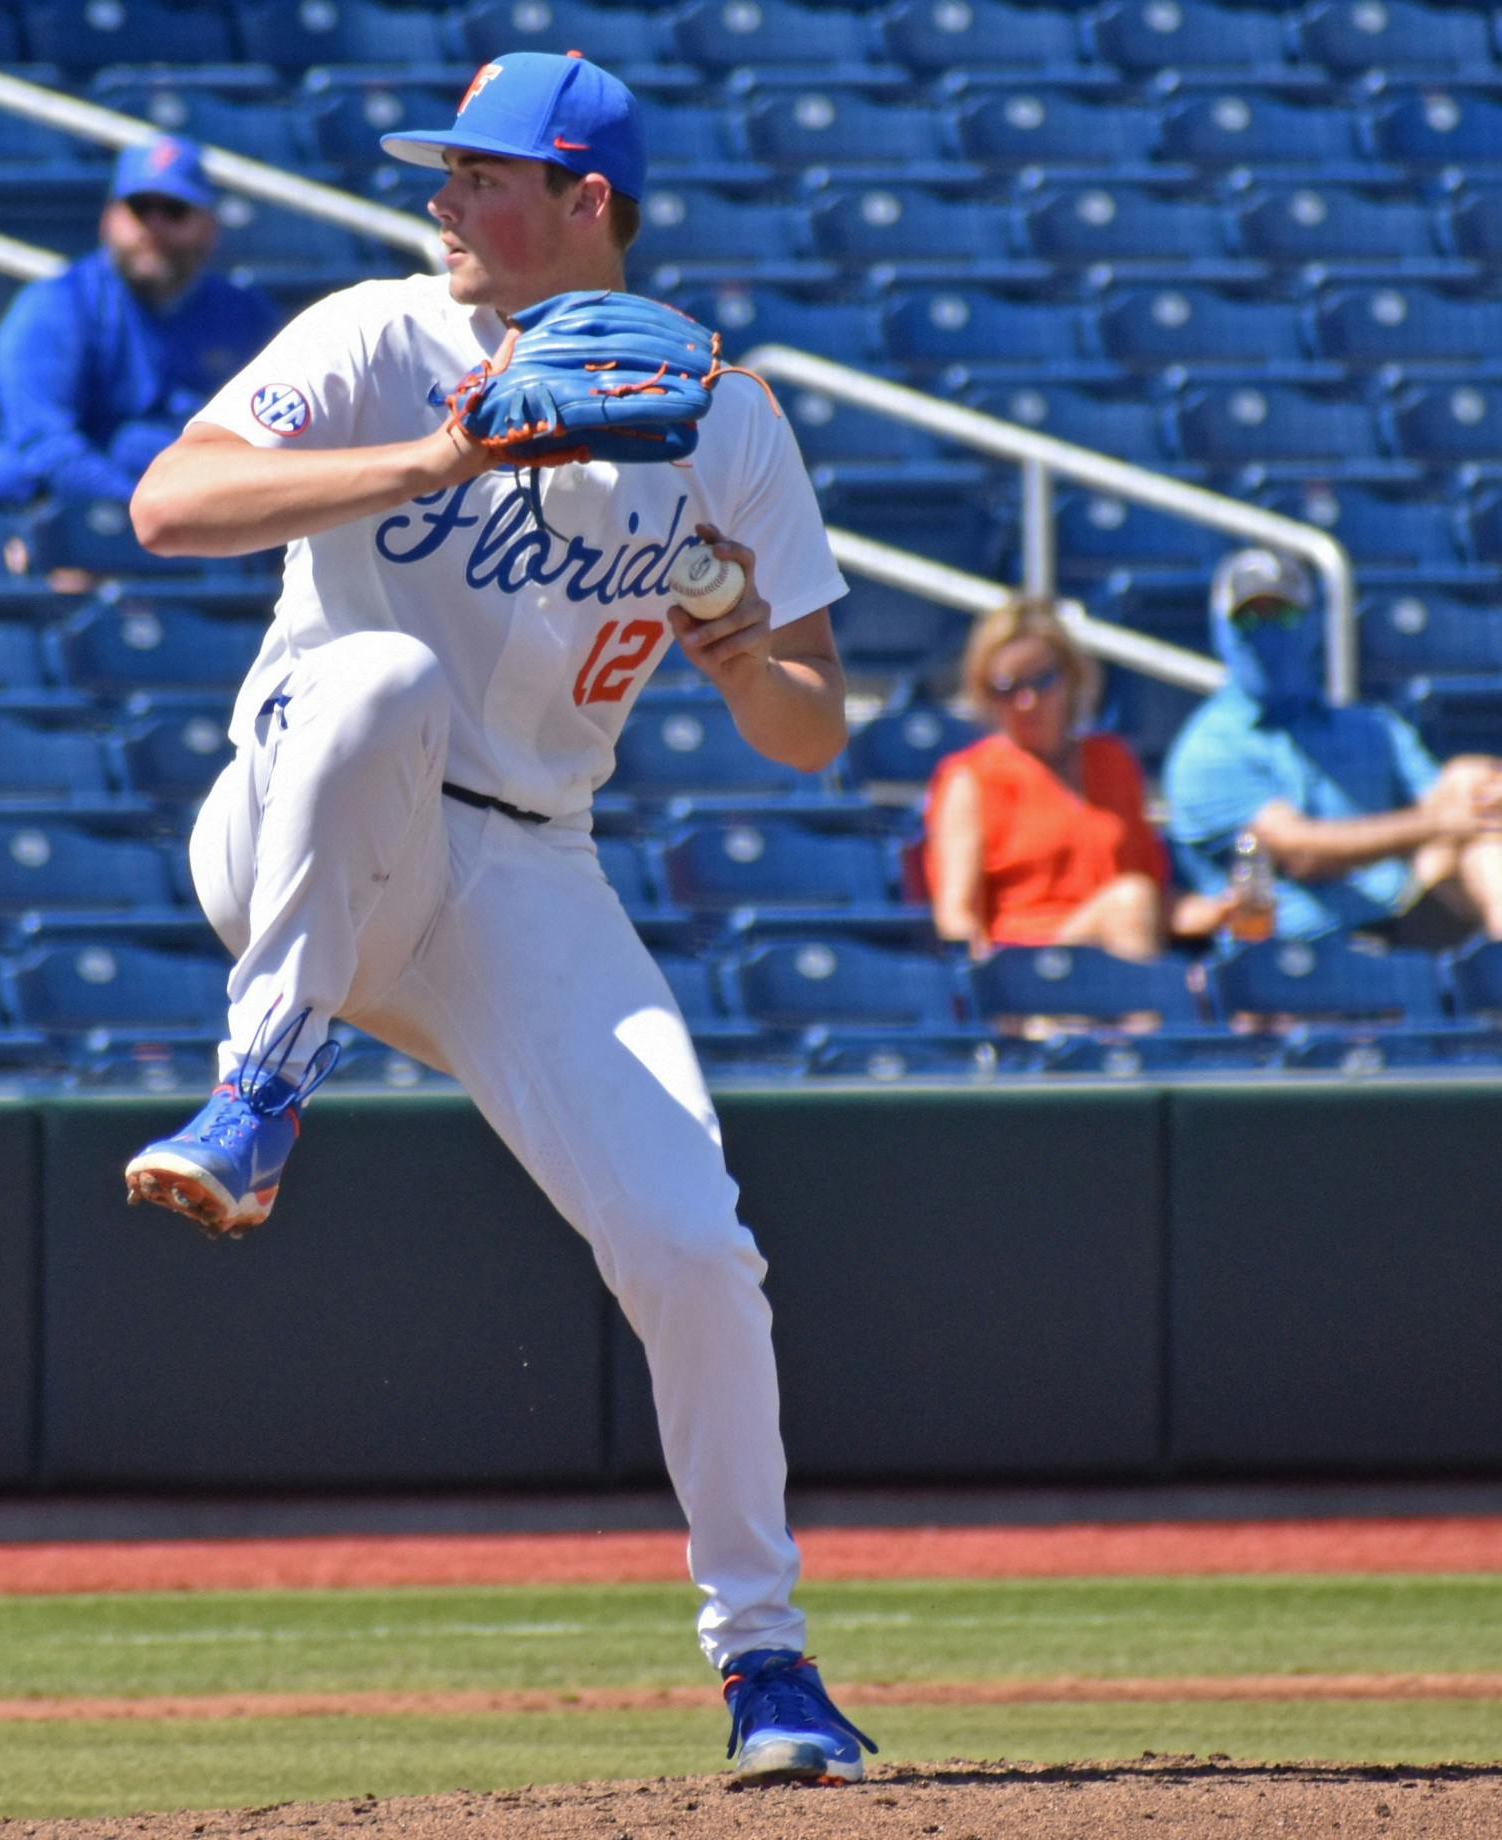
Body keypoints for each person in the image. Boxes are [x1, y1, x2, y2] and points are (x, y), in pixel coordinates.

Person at [118, 50, 877, 1789]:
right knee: (381, 677)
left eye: (480, 175)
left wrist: (740, 642)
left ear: (586, 201)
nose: (442, 202)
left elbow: (814, 725)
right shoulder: (381, 338)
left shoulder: (721, 413)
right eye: (444, 173)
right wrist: (436, 453)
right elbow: (169, 504)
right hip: (304, 819)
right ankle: (257, 1093)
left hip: (528, 866)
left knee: (694, 1244)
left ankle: (768, 1665)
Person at [1166, 548, 1502, 945]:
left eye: (1283, 615)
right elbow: (1300, 851)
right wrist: (1441, 822)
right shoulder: (1208, 748)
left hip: (1400, 924)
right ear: (1222, 630)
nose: (1268, 632)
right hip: (1289, 961)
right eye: (1250, 617)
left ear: (1311, 625)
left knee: (1475, 800)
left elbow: (1455, 802)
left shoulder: (1371, 727)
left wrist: (1484, 790)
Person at [0, 133, 282, 507]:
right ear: (108, 220)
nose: (154, 228)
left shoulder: (244, 313)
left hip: (201, 524)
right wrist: (150, 516)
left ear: (209, 228)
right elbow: (44, 446)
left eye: (174, 210)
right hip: (52, 518)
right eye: (139, 208)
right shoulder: (55, 305)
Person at [927, 596, 1233, 961]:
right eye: (1008, 688)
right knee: (1129, 902)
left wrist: (1223, 912)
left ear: (1070, 678)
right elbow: (957, 917)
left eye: (1042, 682)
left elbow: (1152, 900)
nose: (1027, 702)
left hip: (1118, 946)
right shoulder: (969, 779)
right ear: (986, 694)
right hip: (1028, 974)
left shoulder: (1113, 761)